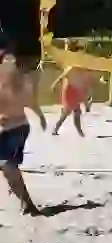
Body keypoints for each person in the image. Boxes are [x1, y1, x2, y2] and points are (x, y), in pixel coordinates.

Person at [0, 52, 47, 215]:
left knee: (8, 166)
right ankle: (24, 199)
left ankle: (28, 205)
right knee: (7, 167)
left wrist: (41, 117)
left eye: (11, 61)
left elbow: (31, 102)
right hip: (6, 131)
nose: (8, 64)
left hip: (18, 129)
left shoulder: (20, 81)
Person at [50, 65, 95, 136]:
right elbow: (62, 77)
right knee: (69, 112)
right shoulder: (72, 68)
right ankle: (78, 132)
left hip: (75, 92)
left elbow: (83, 87)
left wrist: (86, 102)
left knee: (75, 112)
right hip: (69, 92)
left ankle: (57, 129)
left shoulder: (84, 72)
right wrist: (54, 85)